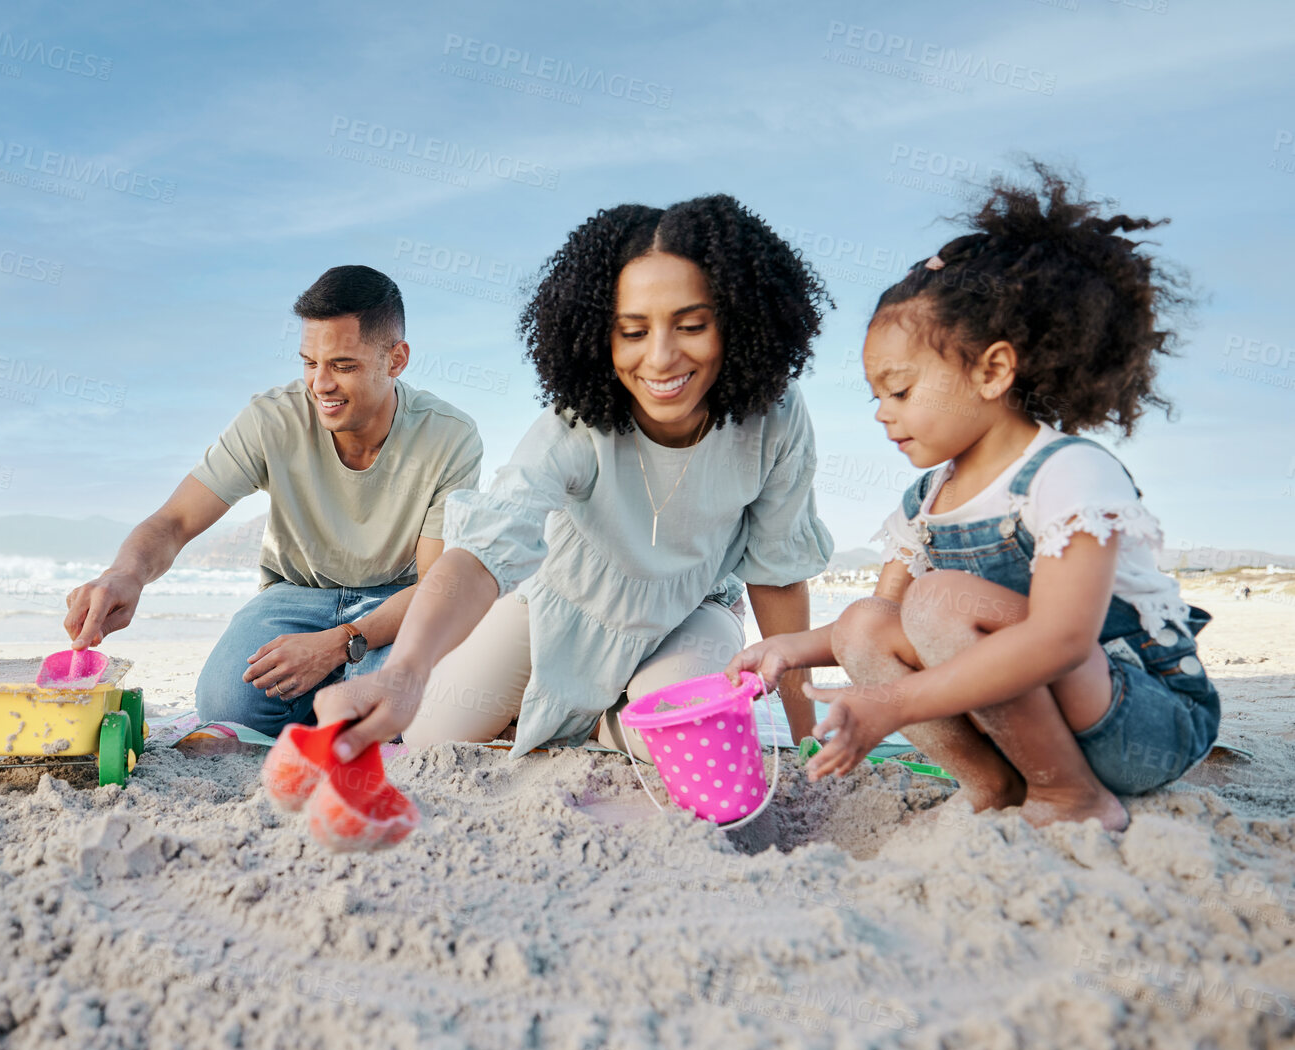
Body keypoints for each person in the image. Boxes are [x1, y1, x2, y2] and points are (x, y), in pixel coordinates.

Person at [725, 165, 1219, 832]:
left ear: (992, 371)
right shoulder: (925, 500)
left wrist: (895, 705)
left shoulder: (1065, 473)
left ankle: (1071, 796)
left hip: (1142, 719)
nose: (881, 414)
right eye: (875, 396)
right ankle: (992, 787)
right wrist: (786, 648)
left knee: (938, 598)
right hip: (1041, 718)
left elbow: (1063, 640)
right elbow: (878, 623)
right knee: (867, 619)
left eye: (899, 390)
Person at [315, 196, 834, 764]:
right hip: (561, 602)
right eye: (632, 331)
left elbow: (778, 572)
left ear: (737, 321)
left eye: (690, 325)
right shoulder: (579, 425)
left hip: (693, 612)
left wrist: (808, 735)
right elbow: (486, 547)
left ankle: (589, 724)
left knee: (687, 747)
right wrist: (406, 670)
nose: (660, 358)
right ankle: (569, 713)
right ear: (598, 334)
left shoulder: (775, 416)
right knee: (430, 734)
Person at [62, 266, 482, 735]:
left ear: (396, 359)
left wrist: (338, 644)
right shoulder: (272, 419)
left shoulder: (450, 437)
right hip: (294, 595)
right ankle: (322, 693)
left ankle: (331, 686)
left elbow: (436, 586)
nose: (320, 384)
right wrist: (125, 575)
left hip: (396, 600)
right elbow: (176, 520)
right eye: (309, 362)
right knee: (225, 705)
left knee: (409, 714)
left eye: (343, 366)